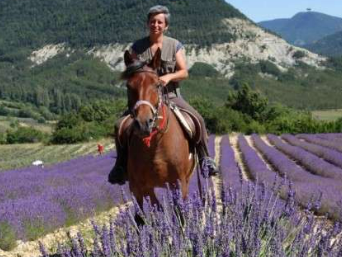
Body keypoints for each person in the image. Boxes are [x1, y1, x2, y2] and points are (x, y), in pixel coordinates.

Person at [109, 5, 218, 185]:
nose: (156, 25)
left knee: (197, 119)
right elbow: (131, 72)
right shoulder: (137, 47)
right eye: (152, 22)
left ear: (166, 26)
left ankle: (205, 158)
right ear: (147, 24)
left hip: (171, 95)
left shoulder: (174, 45)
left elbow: (184, 72)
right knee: (120, 125)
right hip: (144, 98)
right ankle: (120, 166)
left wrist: (168, 76)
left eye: (160, 22)